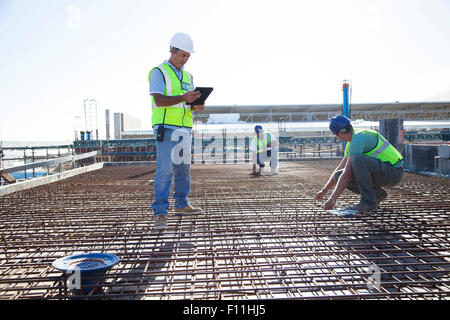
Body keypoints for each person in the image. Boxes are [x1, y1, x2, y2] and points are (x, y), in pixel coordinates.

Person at [149, 32, 205, 230]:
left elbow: (186, 104)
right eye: (183, 55)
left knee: (183, 169)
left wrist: (195, 106)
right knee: (165, 170)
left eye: (188, 56)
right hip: (166, 128)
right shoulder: (159, 72)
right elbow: (158, 100)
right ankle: (160, 213)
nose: (186, 59)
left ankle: (181, 205)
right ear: (172, 51)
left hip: (184, 129)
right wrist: (184, 98)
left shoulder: (189, 76)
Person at [315, 115, 404, 213]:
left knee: (357, 161)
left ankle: (368, 203)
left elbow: (347, 173)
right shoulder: (353, 141)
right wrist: (324, 191)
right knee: (338, 175)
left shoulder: (358, 139)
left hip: (393, 172)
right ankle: (376, 194)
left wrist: (332, 199)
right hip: (384, 172)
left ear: (339, 133)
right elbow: (340, 168)